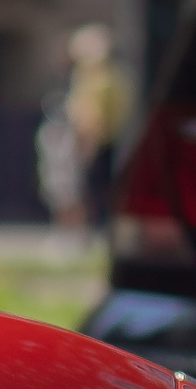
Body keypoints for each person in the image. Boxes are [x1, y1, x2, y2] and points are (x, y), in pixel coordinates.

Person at [66, 22, 129, 233]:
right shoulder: (116, 75)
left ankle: (93, 230)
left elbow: (91, 115)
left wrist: (86, 143)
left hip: (94, 141)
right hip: (108, 140)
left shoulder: (96, 77)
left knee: (91, 188)